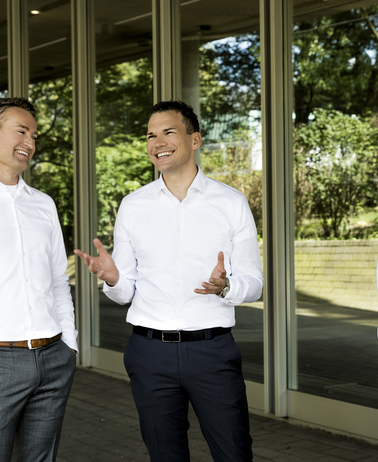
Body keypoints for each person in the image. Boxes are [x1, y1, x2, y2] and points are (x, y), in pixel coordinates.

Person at [75, 100, 264, 462]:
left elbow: (254, 283)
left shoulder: (231, 203)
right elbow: (125, 291)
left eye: (168, 132)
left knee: (234, 453)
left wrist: (225, 287)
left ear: (195, 140)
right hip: (149, 354)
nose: (157, 142)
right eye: (151, 135)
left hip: (211, 351)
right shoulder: (133, 205)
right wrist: (113, 279)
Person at [0, 97, 78, 461]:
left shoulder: (43, 204)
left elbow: (57, 280)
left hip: (52, 357)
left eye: (34, 136)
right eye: (21, 132)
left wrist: (70, 344)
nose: (30, 143)